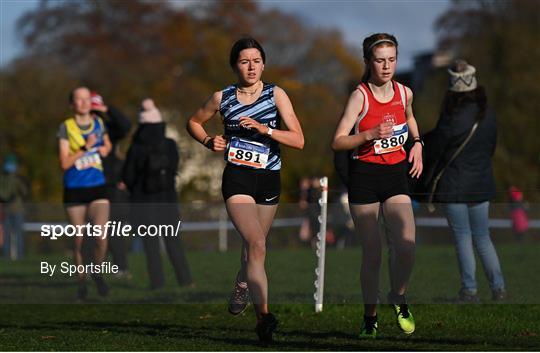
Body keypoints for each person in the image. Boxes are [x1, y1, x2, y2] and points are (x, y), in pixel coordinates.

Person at [187, 37, 304, 343]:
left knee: (254, 249)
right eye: (244, 61)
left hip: (268, 178)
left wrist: (265, 129)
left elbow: (298, 140)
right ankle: (264, 318)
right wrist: (207, 141)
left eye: (256, 61)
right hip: (237, 178)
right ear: (235, 66)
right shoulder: (222, 97)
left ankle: (242, 281)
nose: (251, 67)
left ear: (263, 64)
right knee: (257, 245)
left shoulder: (276, 94)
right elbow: (194, 122)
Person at [331, 33, 423, 338]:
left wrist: (418, 143)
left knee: (407, 246)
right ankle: (370, 316)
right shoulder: (360, 96)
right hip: (365, 178)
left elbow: (410, 118)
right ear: (368, 62)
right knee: (373, 253)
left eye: (392, 60)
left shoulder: (405, 92)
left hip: (396, 175)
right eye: (380, 60)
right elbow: (338, 140)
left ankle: (398, 295)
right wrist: (369, 134)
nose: (386, 66)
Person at [423, 60, 506, 302]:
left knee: (463, 238)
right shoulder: (488, 114)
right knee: (483, 236)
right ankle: (498, 287)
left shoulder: (452, 116)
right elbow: (491, 148)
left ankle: (469, 290)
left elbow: (436, 147)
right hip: (481, 183)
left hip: (454, 186)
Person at [122, 98, 192, 290]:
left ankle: (157, 282)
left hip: (144, 203)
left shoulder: (136, 148)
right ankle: (185, 280)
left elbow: (128, 176)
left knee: (150, 246)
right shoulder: (169, 145)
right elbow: (174, 168)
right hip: (168, 201)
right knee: (173, 243)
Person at [58, 86, 112, 300]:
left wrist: (103, 149)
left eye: (86, 99)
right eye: (78, 100)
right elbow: (64, 163)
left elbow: (107, 146)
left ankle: (97, 272)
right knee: (79, 240)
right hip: (74, 189)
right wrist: (84, 147)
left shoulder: (98, 123)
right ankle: (81, 284)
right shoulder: (66, 127)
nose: (83, 102)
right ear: (72, 104)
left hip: (97, 186)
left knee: (100, 236)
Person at [90, 91, 132, 278]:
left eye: (96, 112)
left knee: (114, 230)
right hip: (90, 183)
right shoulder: (77, 130)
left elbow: (125, 126)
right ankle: (94, 268)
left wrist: (107, 109)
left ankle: (120, 267)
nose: (93, 116)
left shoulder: (108, 130)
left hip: (111, 186)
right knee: (92, 231)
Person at [0, 153, 29, 260]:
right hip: (6, 210)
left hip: (18, 210)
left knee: (19, 234)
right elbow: (3, 195)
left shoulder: (19, 178)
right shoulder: (3, 178)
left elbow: (24, 192)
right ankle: (6, 256)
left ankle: (20, 256)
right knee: (6, 235)